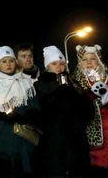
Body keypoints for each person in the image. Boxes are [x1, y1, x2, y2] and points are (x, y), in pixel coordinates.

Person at [34, 46, 93, 177]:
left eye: (61, 63)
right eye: (54, 63)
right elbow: (42, 113)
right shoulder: (40, 85)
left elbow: (88, 112)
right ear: (47, 66)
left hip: (76, 142)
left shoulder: (74, 83)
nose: (59, 67)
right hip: (54, 143)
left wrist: (77, 95)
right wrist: (57, 92)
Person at [0, 46, 40, 177]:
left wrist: (20, 114)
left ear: (16, 62)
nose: (8, 64)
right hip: (1, 138)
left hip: (23, 138)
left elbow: (35, 108)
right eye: (4, 61)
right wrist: (2, 116)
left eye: (11, 60)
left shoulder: (26, 83)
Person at [72, 44, 108, 176]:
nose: (89, 62)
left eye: (93, 58)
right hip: (89, 140)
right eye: (84, 59)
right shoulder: (75, 83)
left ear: (99, 61)